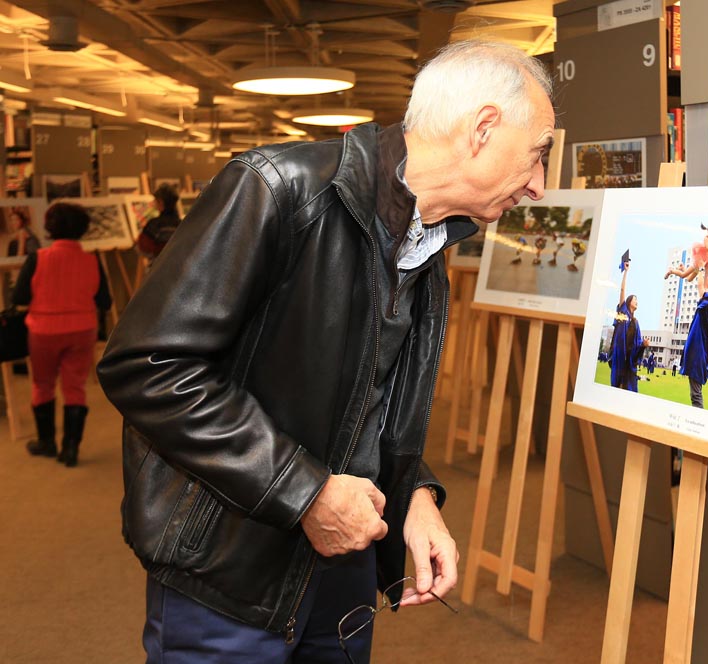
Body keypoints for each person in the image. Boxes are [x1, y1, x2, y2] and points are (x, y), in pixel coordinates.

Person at [97, 39, 556, 664]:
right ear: (482, 128)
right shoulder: (277, 189)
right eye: (538, 154)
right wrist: (306, 492)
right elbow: (149, 365)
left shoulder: (427, 239)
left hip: (342, 560)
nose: (538, 184)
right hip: (231, 564)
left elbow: (359, 397)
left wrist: (411, 494)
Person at [12, 202, 111, 466]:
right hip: (82, 330)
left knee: (42, 385)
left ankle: (46, 443)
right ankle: (70, 449)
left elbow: (19, 296)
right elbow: (106, 301)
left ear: (49, 227)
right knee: (75, 387)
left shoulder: (38, 259)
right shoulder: (92, 261)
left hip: (43, 330)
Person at [680, 270, 708, 408]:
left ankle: (699, 419)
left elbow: (701, 287)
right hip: (699, 351)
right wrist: (706, 269)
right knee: (695, 392)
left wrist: (699, 268)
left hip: (697, 353)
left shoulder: (707, 305)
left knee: (695, 393)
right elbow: (706, 285)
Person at [609, 260, 649, 392]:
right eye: (635, 299)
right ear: (628, 302)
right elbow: (622, 290)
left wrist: (643, 344)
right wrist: (626, 272)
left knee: (628, 389)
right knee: (617, 387)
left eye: (637, 300)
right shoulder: (623, 313)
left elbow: (637, 344)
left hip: (629, 361)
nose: (637, 301)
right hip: (620, 356)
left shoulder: (635, 323)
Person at [136, 183, 181, 265]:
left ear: (161, 202)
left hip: (158, 268)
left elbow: (144, 248)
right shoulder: (182, 224)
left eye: (155, 200)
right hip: (179, 268)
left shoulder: (154, 225)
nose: (154, 203)